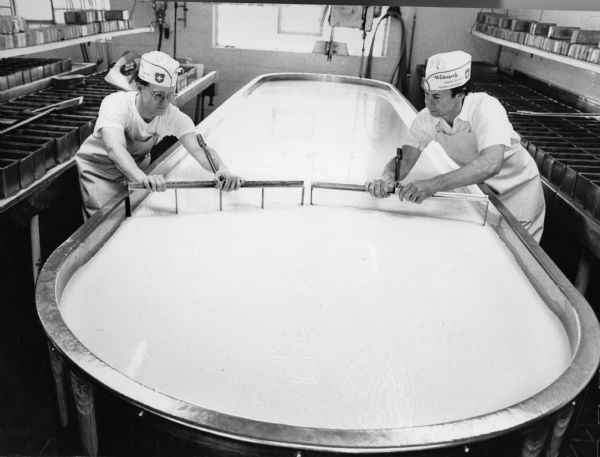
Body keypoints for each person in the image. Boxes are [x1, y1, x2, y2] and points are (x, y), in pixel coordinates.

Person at [365, 50, 545, 242]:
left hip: (518, 196)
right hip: (484, 196)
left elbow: (491, 164)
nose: (428, 103)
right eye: (426, 94)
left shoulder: (486, 108)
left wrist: (431, 185)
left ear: (460, 95)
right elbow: (404, 160)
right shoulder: (426, 119)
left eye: (436, 97)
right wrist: (386, 177)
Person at [75, 50, 243, 218]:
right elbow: (115, 149)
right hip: (100, 173)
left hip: (134, 173)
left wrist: (221, 169)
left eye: (170, 95)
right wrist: (142, 179)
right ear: (140, 88)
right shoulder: (116, 104)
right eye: (158, 95)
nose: (165, 103)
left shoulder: (172, 115)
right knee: (104, 221)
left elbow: (200, 149)